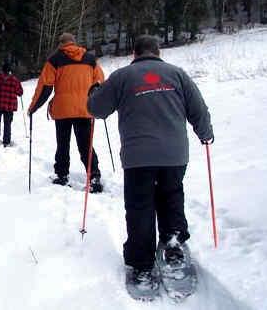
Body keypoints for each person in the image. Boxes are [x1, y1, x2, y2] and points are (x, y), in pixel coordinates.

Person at [87, 35, 214, 288]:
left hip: (138, 157)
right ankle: (174, 247)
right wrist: (206, 134)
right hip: (174, 154)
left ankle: (142, 265)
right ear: (158, 53)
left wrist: (94, 93)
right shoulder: (177, 74)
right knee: (172, 197)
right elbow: (198, 109)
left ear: (134, 53)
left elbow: (97, 110)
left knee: (140, 207)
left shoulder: (122, 77)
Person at [28, 32, 105, 192]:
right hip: (85, 108)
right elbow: (99, 83)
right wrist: (99, 105)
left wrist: (33, 107)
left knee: (63, 144)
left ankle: (62, 175)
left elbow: (45, 87)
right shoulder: (90, 59)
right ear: (74, 43)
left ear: (61, 44)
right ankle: (94, 176)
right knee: (85, 145)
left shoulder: (55, 59)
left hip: (63, 109)